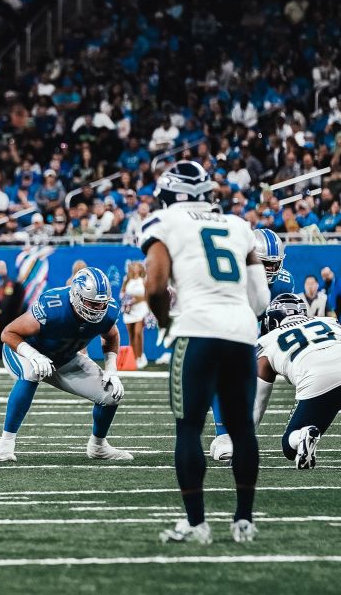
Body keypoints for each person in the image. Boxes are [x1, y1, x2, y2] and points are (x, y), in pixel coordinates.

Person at [141, 160, 269, 545]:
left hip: (196, 329)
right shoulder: (239, 226)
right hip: (241, 331)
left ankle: (197, 523)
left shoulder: (163, 223)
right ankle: (243, 521)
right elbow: (261, 299)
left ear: (167, 195)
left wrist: (166, 322)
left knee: (189, 428)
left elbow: (154, 286)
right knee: (242, 428)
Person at [0, 267, 131, 463]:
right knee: (32, 373)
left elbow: (112, 336)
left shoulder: (109, 311)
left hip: (65, 358)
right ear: (76, 295)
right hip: (25, 352)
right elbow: (8, 333)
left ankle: (98, 446)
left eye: (102, 304)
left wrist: (111, 368)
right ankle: (5, 443)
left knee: (110, 394)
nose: (98, 310)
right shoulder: (53, 305)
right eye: (92, 303)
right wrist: (33, 355)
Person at [252, 295, 341, 468]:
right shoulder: (328, 321)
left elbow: (258, 403)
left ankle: (303, 436)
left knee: (289, 445)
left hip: (317, 377)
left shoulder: (266, 342)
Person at [209, 227, 295, 462]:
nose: (271, 270)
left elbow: (274, 324)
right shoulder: (230, 278)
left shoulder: (284, 283)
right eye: (265, 263)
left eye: (274, 264)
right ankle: (223, 434)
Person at [122, 261, 150, 369]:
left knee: (138, 332)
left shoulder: (144, 280)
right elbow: (122, 293)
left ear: (141, 268)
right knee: (131, 335)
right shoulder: (126, 279)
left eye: (138, 266)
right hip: (130, 311)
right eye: (134, 266)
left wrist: (136, 299)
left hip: (141, 309)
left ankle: (140, 356)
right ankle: (132, 358)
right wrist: (127, 300)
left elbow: (147, 296)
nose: (135, 268)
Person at [0, 260, 26, 345]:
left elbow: (7, 298)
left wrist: (1, 309)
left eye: (1, 267)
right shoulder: (0, 281)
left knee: (5, 335)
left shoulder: (8, 282)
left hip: (5, 315)